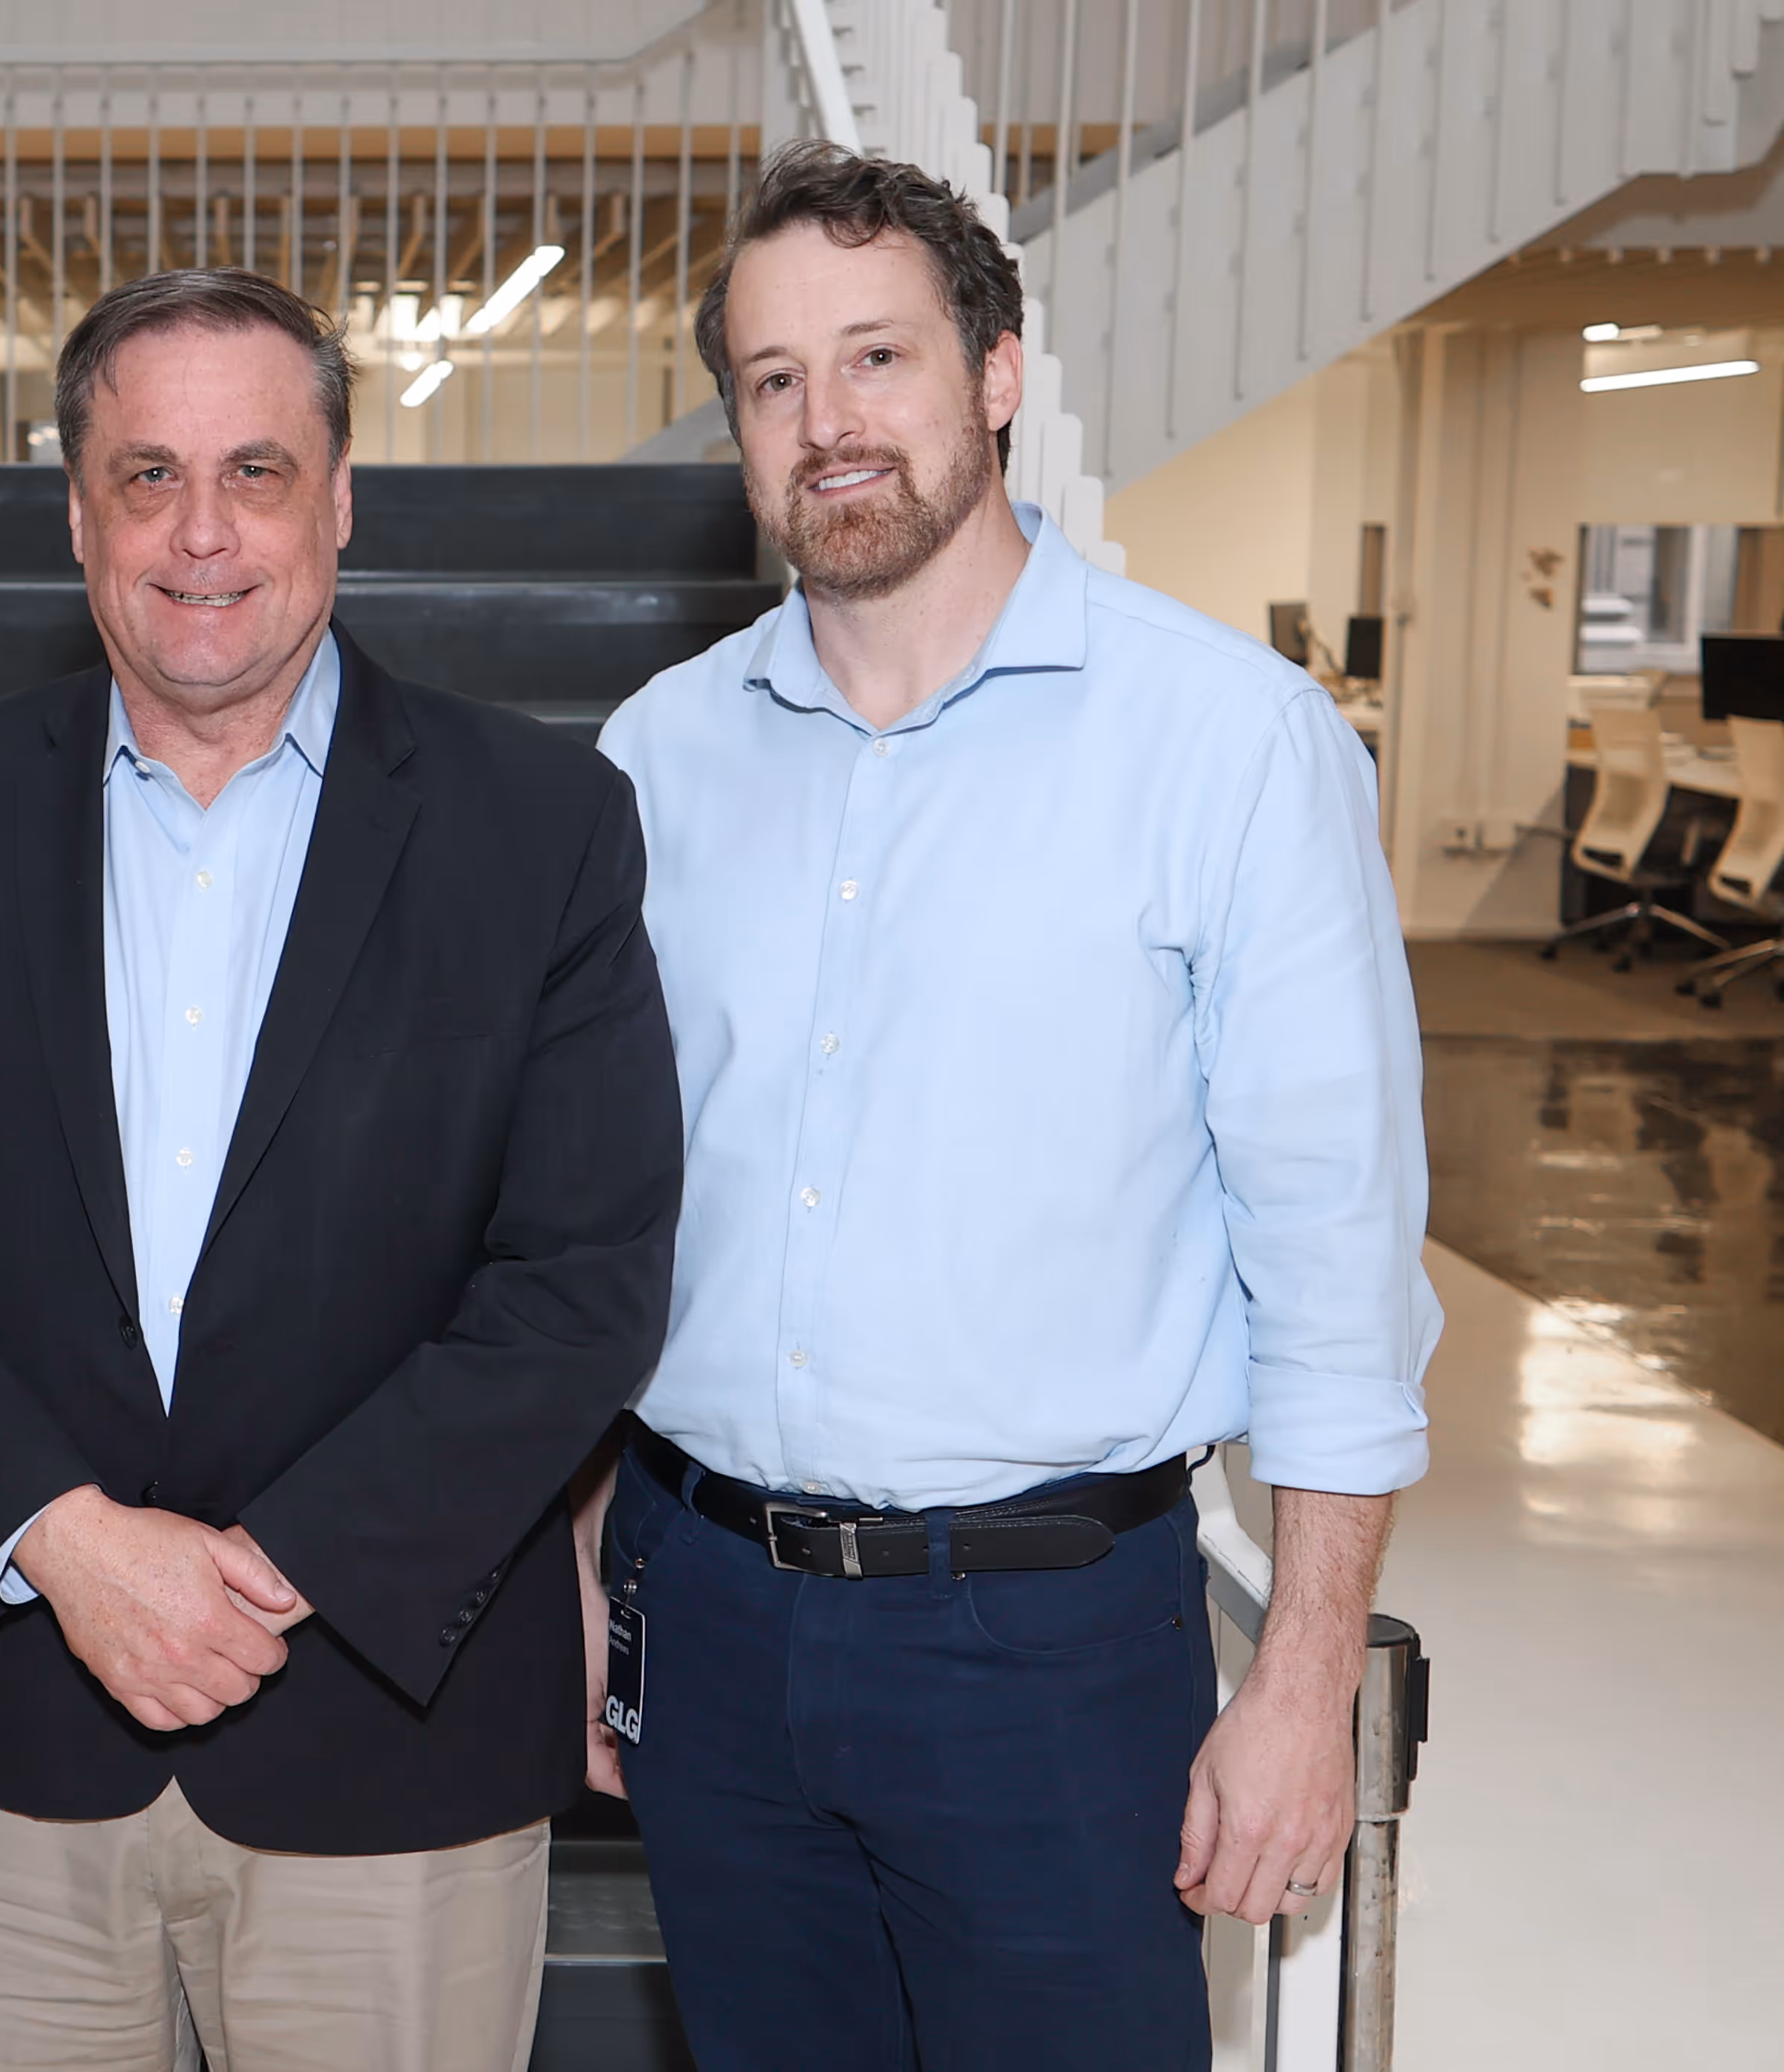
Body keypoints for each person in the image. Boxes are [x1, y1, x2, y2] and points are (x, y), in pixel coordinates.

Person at [0, 266, 684, 2072]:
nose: (203, 533)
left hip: (394, 1746)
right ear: (76, 509)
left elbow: (581, 1276)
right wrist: (73, 1542)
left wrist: (271, 1571)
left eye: (258, 472)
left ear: (340, 499)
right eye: (146, 475)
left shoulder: (541, 825)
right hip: (11, 1753)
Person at [588, 142, 1441, 2069]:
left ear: (995, 372)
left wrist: (1305, 1679)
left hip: (1046, 1654)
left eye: (877, 357)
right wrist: (589, 1578)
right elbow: (605, 1213)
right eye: (777, 379)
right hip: (707, 1614)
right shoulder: (657, 761)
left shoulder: (1228, 748)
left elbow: (1335, 1268)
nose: (831, 424)